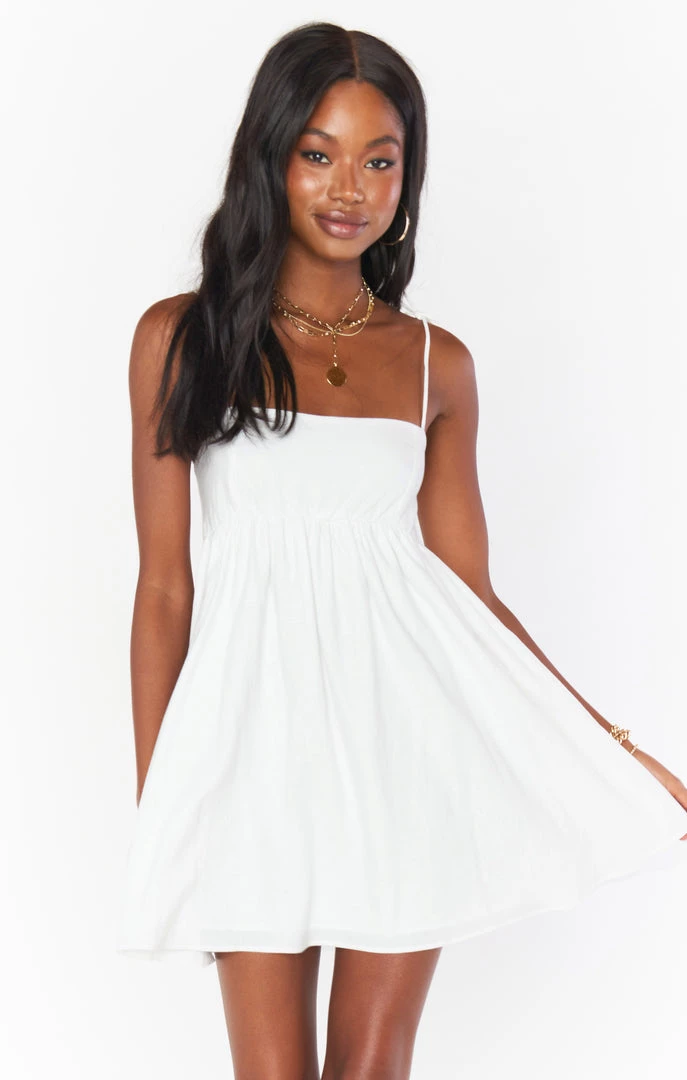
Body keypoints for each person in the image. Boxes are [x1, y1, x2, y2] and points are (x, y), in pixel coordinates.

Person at [116, 21, 687, 1080]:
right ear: (270, 157)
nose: (350, 188)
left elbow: (470, 596)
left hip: (407, 749)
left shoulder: (436, 364)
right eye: (318, 153)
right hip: (250, 758)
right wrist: (165, 801)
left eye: (380, 161)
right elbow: (163, 591)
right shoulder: (182, 338)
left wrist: (610, 746)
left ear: (407, 176)